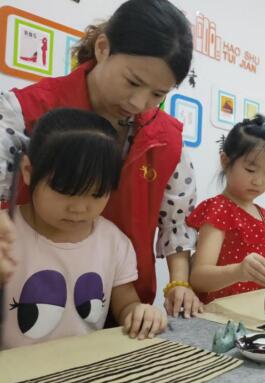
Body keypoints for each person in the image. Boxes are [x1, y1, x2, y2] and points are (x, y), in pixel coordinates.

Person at [0, 0, 202, 318]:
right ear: (103, 48)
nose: (139, 103)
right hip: (29, 302)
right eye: (132, 82)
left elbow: (175, 222)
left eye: (158, 94)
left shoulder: (166, 140)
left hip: (125, 305)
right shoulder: (25, 113)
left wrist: (179, 282)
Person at [2, 108, 166, 350]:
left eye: (97, 193)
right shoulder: (6, 234)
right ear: (28, 171)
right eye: (65, 191)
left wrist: (140, 312)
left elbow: (125, 305)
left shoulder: (113, 242)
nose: (79, 208)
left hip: (84, 368)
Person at [187, 115, 265, 304]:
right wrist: (238, 271)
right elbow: (199, 278)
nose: (259, 181)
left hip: (252, 310)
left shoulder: (264, 215)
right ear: (225, 161)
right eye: (250, 170)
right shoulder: (219, 209)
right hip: (220, 312)